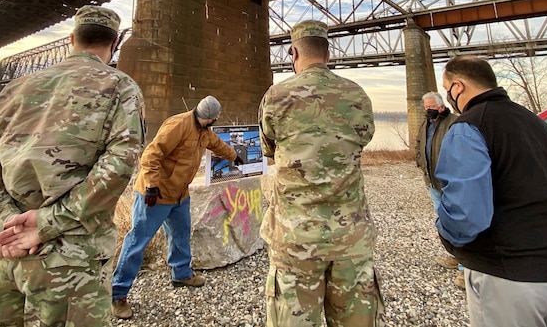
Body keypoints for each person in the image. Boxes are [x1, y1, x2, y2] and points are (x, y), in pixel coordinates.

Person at [0, 5, 145, 327]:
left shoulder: (16, 88)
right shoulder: (120, 87)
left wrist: (1, 223)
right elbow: (122, 161)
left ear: (72, 38)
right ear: (114, 44)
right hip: (72, 260)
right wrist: (47, 222)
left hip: (5, 255)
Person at [435, 56, 547, 327]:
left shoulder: (468, 126)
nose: (448, 96)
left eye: (447, 88)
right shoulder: (537, 123)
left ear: (458, 86)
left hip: (507, 276)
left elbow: (467, 214)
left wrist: (445, 233)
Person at [258, 20, 385, 327]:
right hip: (351, 239)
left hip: (295, 238)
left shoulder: (276, 96)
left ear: (293, 53)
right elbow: (362, 140)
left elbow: (269, 150)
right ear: (328, 55)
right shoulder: (357, 95)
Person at [111, 95, 241, 318]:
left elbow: (217, 145)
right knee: (137, 241)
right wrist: (151, 186)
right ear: (210, 118)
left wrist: (235, 156)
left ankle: (181, 273)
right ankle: (118, 294)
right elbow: (151, 154)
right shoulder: (178, 125)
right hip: (155, 195)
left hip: (180, 195)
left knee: (180, 234)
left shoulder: (204, 132)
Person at [414, 91, 462, 286]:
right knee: (444, 222)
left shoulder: (454, 123)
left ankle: (465, 268)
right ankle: (454, 256)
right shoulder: (426, 124)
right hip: (432, 181)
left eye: (431, 107)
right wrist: (420, 163)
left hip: (451, 183)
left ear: (441, 107)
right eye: (426, 108)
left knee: (459, 222)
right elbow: (419, 145)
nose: (428, 111)